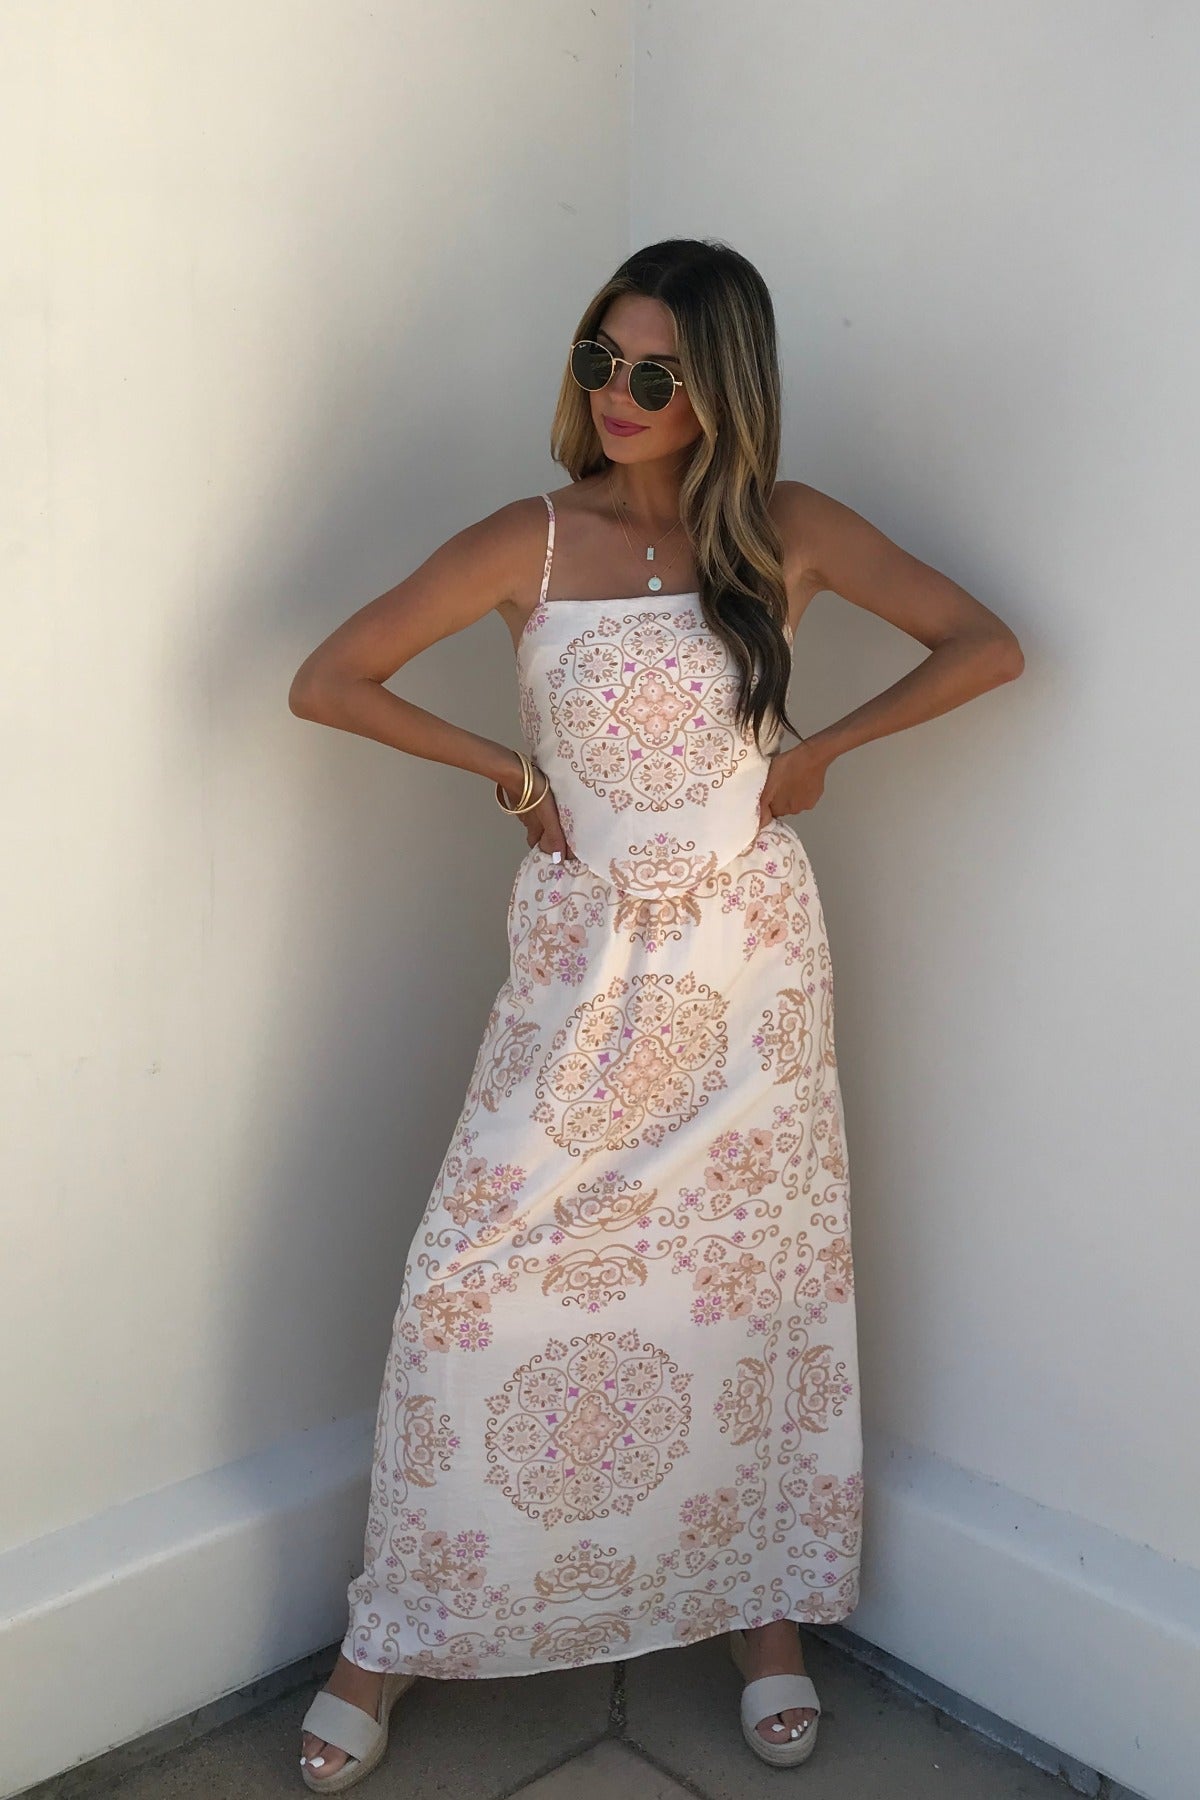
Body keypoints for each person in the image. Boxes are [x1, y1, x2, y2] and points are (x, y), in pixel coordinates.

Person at [287, 236, 1024, 1790]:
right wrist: (509, 770)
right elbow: (332, 678)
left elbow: (986, 645)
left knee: (751, 1290)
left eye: (655, 373)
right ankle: (394, 1630)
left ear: (723, 387)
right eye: (598, 363)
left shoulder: (788, 530)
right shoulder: (529, 543)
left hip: (752, 974)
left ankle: (762, 1614)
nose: (617, 395)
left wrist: (828, 755)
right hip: (582, 973)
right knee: (471, 1284)